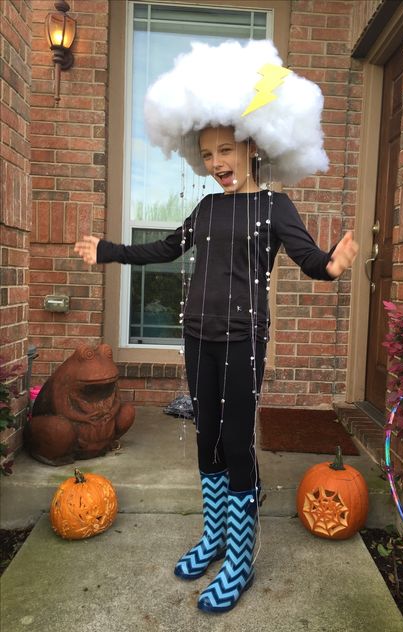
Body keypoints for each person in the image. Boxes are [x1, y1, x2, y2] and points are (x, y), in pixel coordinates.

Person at [75, 124, 358, 613]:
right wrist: (110, 250)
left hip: (243, 340)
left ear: (252, 148)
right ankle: (216, 536)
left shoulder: (275, 206)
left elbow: (308, 256)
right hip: (197, 336)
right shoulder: (207, 207)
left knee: (234, 439)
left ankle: (240, 559)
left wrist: (331, 266)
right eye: (207, 154)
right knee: (206, 434)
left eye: (226, 150)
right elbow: (167, 248)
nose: (216, 162)